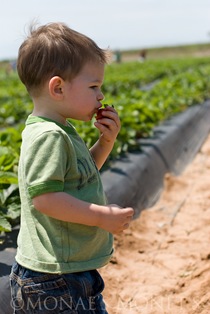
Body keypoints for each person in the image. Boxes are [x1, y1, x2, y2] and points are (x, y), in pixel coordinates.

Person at [10, 22, 134, 313]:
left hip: (66, 272)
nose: (101, 95)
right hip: (53, 279)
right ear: (58, 88)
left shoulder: (60, 129)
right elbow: (46, 199)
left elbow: (81, 175)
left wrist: (106, 141)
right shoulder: (49, 136)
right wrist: (101, 216)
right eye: (93, 86)